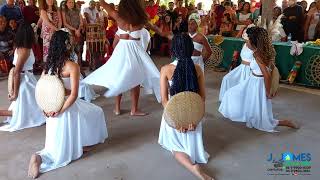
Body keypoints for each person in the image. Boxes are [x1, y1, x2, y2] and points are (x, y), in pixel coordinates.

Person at [27, 30, 108, 178]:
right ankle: (43, 157)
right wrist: (61, 110)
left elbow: (42, 89)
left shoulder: (48, 66)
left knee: (56, 143)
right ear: (67, 46)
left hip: (50, 107)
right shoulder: (72, 66)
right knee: (95, 112)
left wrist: (46, 109)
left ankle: (40, 157)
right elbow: (74, 95)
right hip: (67, 107)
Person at [83, 0, 165, 116]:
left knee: (119, 78)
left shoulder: (118, 17)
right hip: (135, 51)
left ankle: (117, 108)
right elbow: (157, 30)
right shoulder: (141, 19)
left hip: (121, 50)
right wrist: (166, 34)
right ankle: (134, 109)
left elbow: (104, 5)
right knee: (135, 79)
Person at [219, 27, 299, 132]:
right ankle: (250, 116)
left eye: (247, 41)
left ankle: (284, 122)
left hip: (258, 83)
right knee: (234, 95)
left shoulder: (257, 55)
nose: (246, 43)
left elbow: (267, 75)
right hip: (252, 81)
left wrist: (268, 91)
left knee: (261, 113)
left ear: (253, 42)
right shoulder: (261, 52)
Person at [158, 34, 213, 180]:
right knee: (186, 145)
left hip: (174, 117)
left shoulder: (165, 69)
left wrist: (176, 122)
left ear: (174, 49)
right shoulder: (197, 69)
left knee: (176, 149)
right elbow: (202, 97)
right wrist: (194, 119)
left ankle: (193, 168)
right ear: (191, 48)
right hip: (194, 118)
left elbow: (164, 101)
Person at [0, 21, 46, 132]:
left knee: (27, 108)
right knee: (31, 109)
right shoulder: (24, 50)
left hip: (28, 77)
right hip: (24, 80)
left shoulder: (22, 47)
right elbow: (17, 72)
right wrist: (15, 92)